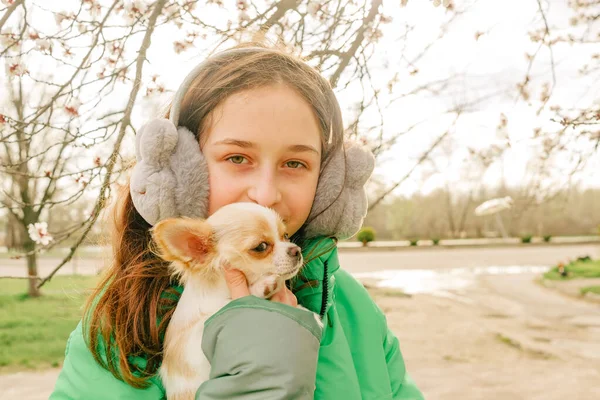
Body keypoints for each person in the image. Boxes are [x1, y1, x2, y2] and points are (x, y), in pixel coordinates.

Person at [50, 43, 424, 400]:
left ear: (329, 186)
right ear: (182, 170)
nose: (265, 194)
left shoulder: (353, 308)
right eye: (237, 158)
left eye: (295, 163)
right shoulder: (118, 326)